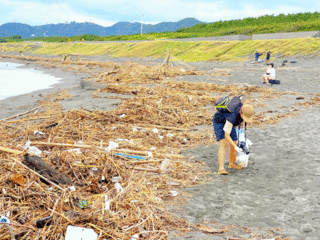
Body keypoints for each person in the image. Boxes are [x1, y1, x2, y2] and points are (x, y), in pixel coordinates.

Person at [213, 97, 254, 175]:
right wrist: (236, 148)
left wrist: (237, 140)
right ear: (241, 113)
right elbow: (226, 135)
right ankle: (221, 169)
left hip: (230, 123)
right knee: (224, 143)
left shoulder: (243, 112)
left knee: (234, 141)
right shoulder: (232, 116)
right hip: (219, 122)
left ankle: (232, 164)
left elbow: (236, 125)